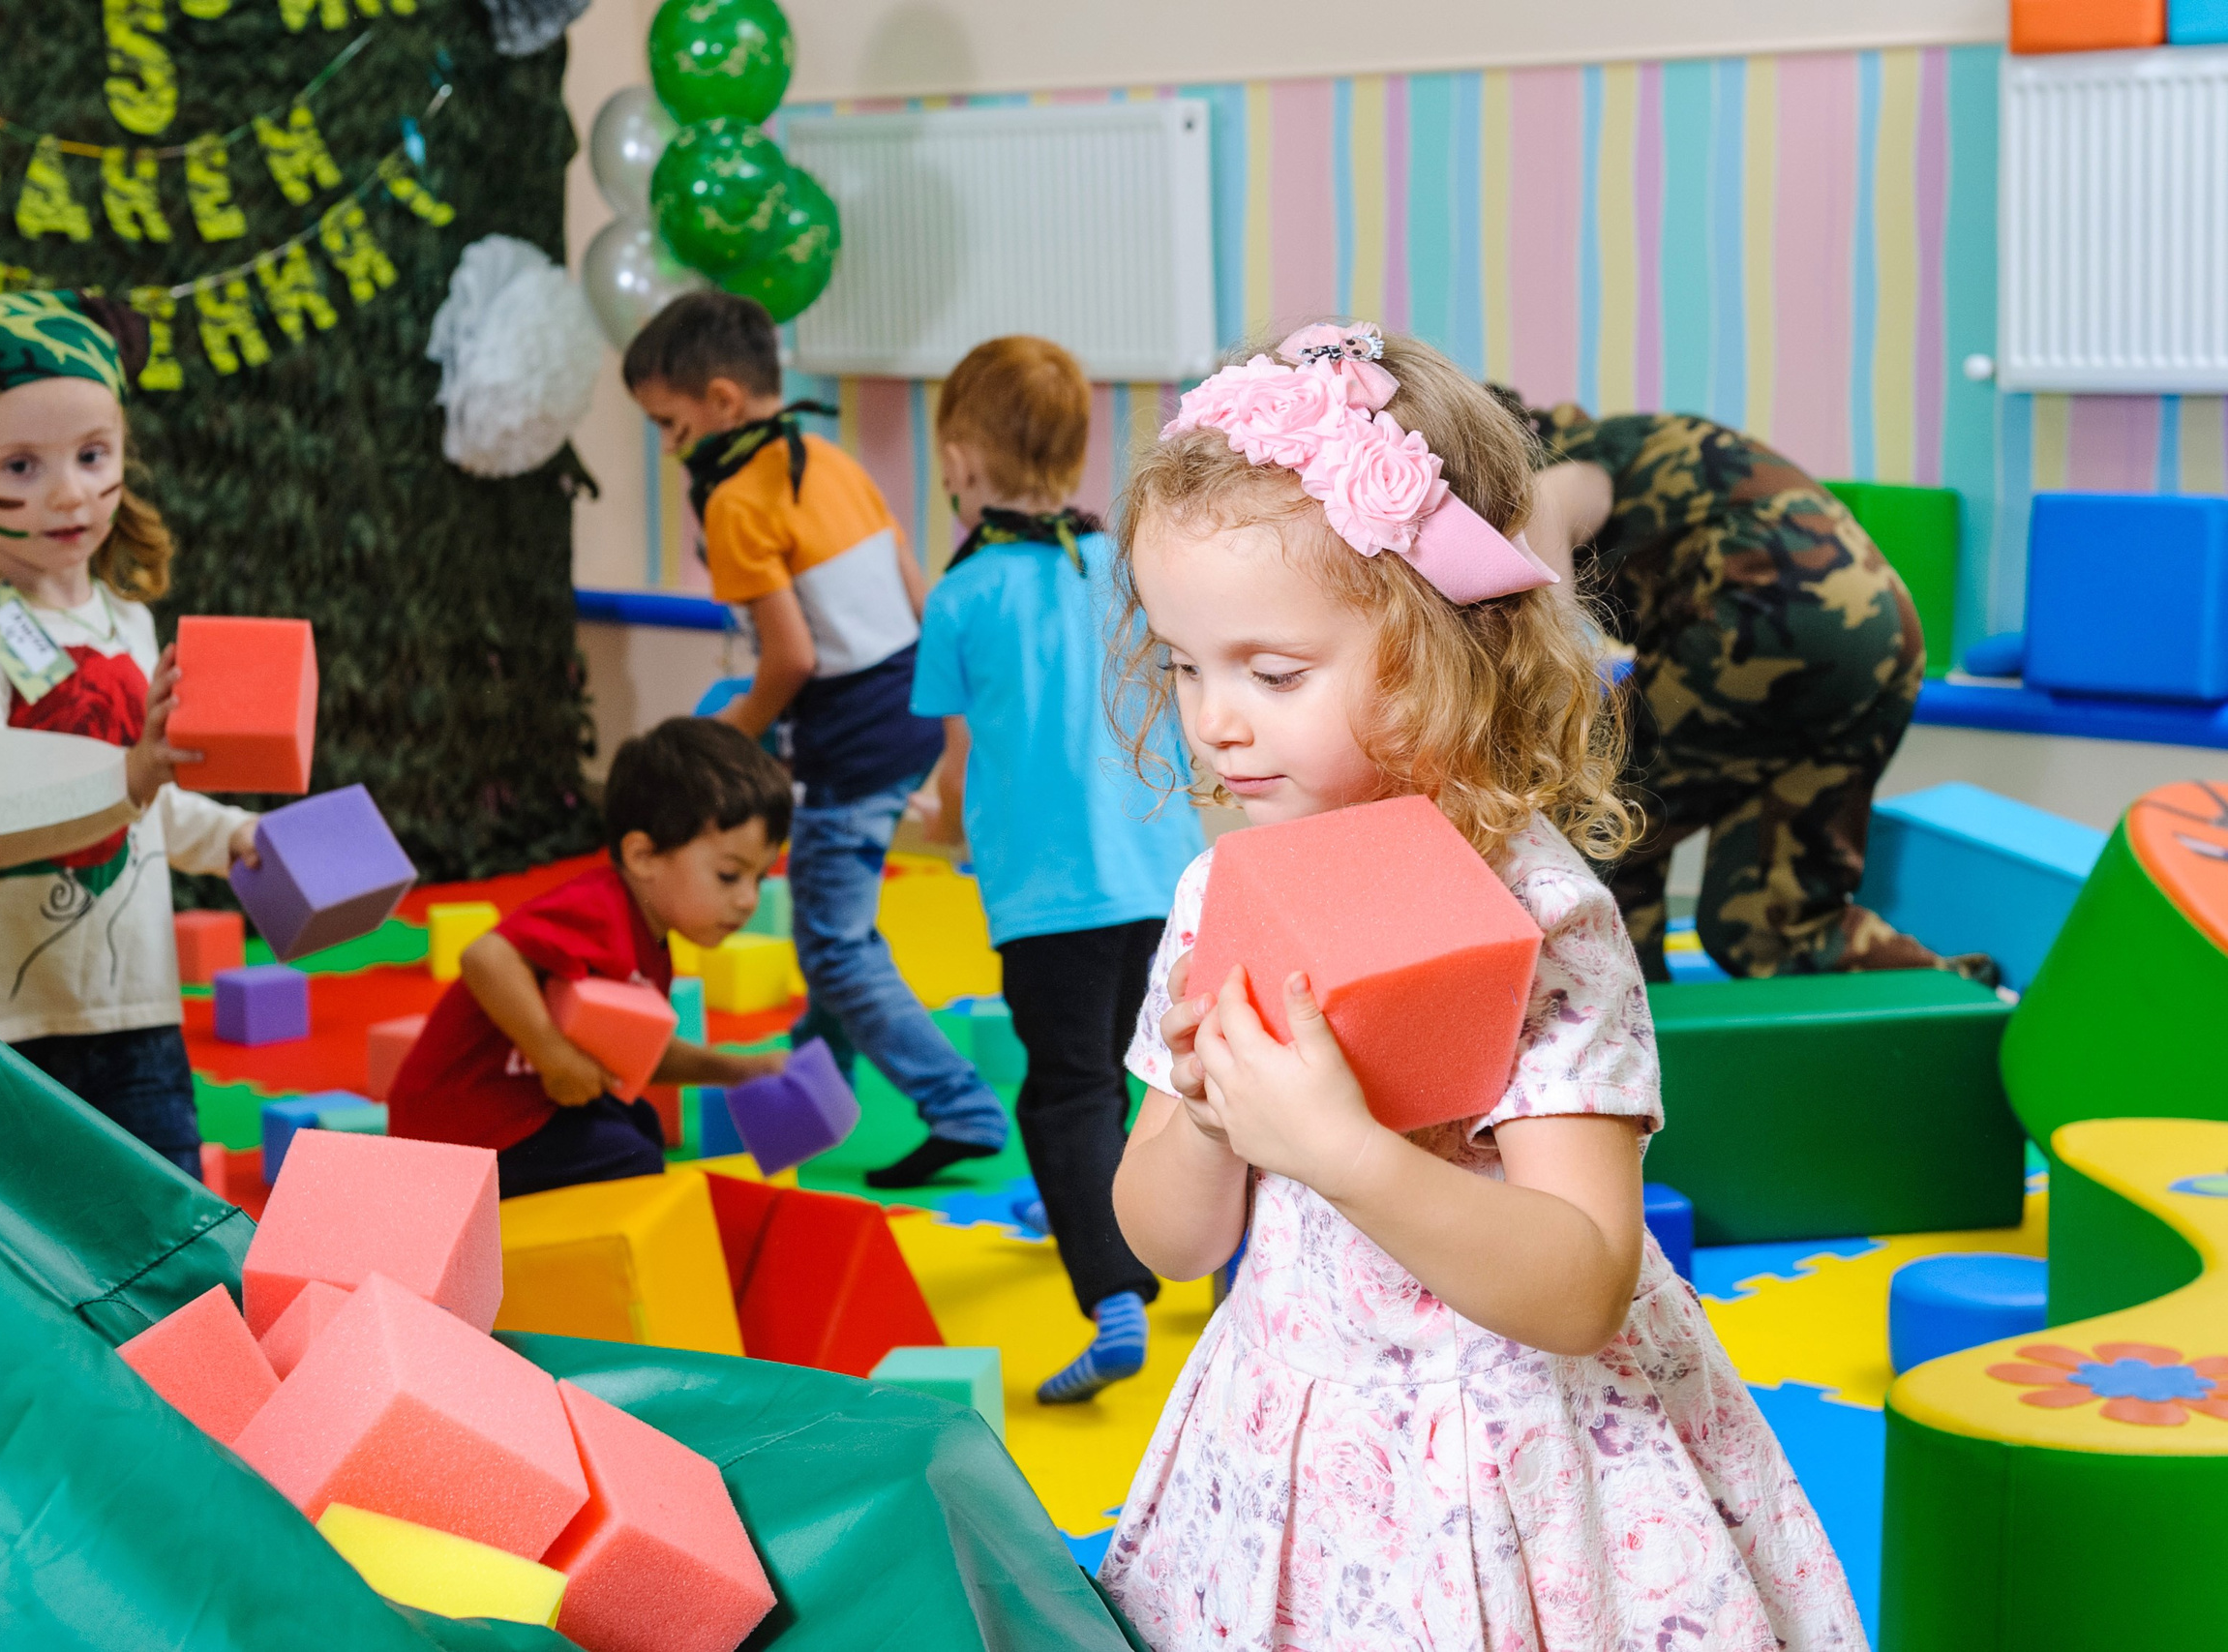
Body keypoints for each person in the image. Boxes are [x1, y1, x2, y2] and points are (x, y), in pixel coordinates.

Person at [1099, 323, 1867, 1649]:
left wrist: (1340, 1150)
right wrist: (1213, 1119)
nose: (1214, 717)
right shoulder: (1228, 889)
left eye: (1273, 671)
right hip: (1289, 1452)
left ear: (1444, 649)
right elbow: (1169, 1241)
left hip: (1502, 1462)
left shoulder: (1540, 912)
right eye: (1182, 661)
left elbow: (1579, 1286)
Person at [620, 291, 1009, 1188]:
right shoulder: (827, 457)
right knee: (835, 925)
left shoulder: (735, 500)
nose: (670, 445)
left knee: (834, 943)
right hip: (907, 697)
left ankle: (961, 1105)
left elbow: (789, 658)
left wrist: (719, 744)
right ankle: (814, 1087)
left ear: (721, 402)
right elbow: (914, 579)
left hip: (848, 732)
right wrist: (948, 705)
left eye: (670, 425)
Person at [0, 289, 258, 1177]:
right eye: (21, 467)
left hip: (135, 1014)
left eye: (92, 455)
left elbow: (144, 802)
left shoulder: (128, 621)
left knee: (171, 1267)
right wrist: (136, 773)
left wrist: (235, 835)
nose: (70, 493)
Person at [911, 338, 1207, 1404]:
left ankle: (1113, 1294)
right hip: (1165, 871)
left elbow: (950, 794)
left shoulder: (960, 595)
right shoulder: (1123, 564)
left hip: (1049, 898)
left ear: (959, 459)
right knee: (1151, 1070)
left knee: (1066, 1088)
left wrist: (925, 831)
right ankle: (1183, 1245)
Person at [1507, 391, 1993, 984]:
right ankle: (1950, 994)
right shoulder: (1636, 444)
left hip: (1768, 618)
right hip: (1881, 637)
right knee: (1768, 923)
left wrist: (1559, 720)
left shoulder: (1565, 463)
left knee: (1593, 813)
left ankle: (1625, 1025)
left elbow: (1548, 512)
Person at [386, 718, 792, 1197]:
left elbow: (632, 1057)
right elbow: (486, 956)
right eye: (729, 876)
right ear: (642, 856)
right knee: (629, 1160)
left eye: (759, 879)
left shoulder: (652, 938)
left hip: (523, 1110)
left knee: (638, 1124)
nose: (748, 899)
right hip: (463, 1126)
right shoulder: (598, 910)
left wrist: (736, 1070)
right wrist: (551, 1053)